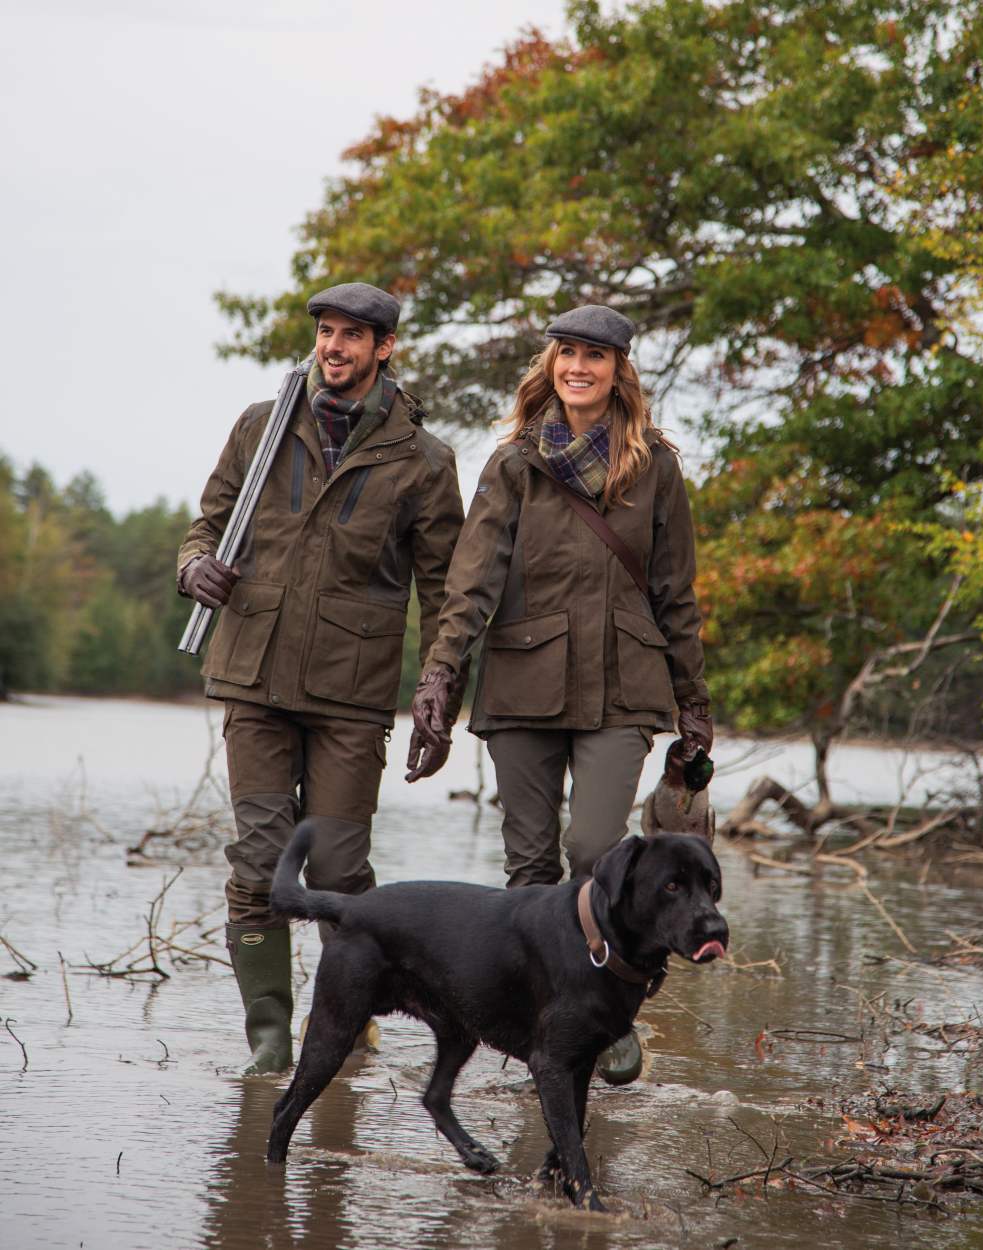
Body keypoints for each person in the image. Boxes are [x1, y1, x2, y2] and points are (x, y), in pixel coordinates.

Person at [408, 304, 712, 1085]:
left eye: (594, 356)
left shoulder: (656, 468)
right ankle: (552, 1030)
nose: (578, 367)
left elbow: (675, 592)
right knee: (531, 869)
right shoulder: (513, 463)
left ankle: (612, 1009)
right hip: (522, 685)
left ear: (618, 370)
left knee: (598, 852)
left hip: (624, 686)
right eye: (566, 353)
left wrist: (694, 701)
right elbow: (470, 585)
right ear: (551, 365)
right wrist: (440, 677)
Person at [178, 282, 464, 1074]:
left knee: (339, 872)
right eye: (326, 332)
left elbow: (446, 591)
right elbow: (207, 524)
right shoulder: (259, 424)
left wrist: (440, 689)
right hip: (253, 676)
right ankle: (269, 1041)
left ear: (384, 348)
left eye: (351, 336)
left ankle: (346, 1015)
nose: (333, 347)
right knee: (259, 864)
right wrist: (194, 566)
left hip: (351, 694)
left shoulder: (425, 460)